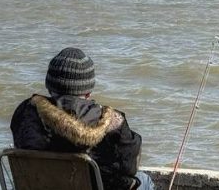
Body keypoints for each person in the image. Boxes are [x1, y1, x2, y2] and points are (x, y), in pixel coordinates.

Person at [11, 47, 155, 190]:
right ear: (88, 91)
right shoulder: (111, 120)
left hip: (39, 185)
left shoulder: (25, 111)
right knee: (144, 179)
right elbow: (129, 168)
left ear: (49, 86)